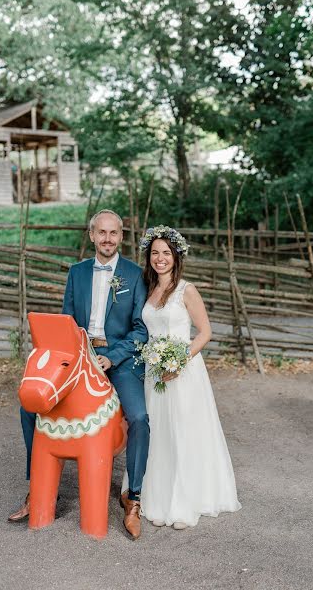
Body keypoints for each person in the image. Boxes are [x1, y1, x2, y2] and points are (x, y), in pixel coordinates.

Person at [9, 209, 150, 540]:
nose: (107, 239)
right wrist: (79, 356)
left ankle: (134, 497)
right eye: (101, 233)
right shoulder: (77, 272)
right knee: (30, 408)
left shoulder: (134, 274)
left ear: (122, 236)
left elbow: (140, 330)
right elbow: (67, 322)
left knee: (140, 417)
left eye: (114, 233)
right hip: (80, 358)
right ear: (91, 235)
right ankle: (40, 489)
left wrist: (112, 358)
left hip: (118, 359)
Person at [122, 225, 241, 529]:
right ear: (148, 256)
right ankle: (155, 496)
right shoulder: (147, 289)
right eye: (154, 253)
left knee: (182, 433)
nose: (160, 258)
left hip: (182, 372)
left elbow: (205, 333)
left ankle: (184, 501)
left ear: (176, 256)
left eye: (166, 253)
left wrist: (178, 360)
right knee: (157, 434)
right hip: (153, 372)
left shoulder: (186, 290)